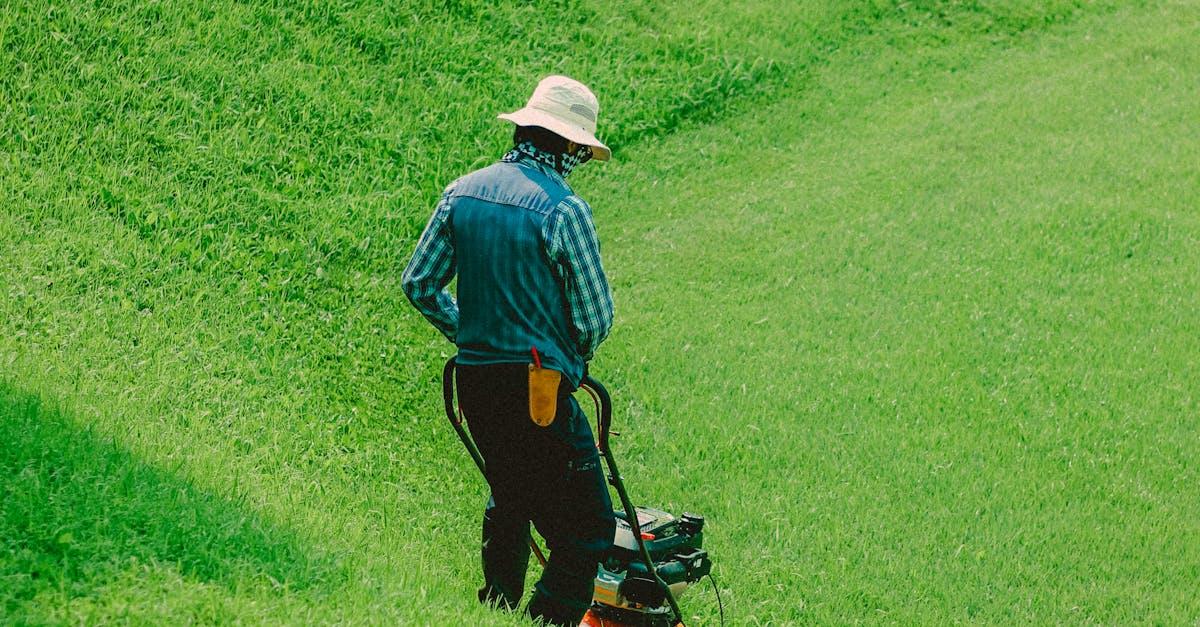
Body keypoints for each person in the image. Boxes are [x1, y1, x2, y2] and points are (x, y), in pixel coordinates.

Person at [402, 75, 616, 626]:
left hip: (473, 381)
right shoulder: (565, 211)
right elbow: (595, 318)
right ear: (569, 145)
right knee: (590, 526)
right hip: (539, 387)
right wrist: (569, 355)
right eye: (582, 153)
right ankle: (546, 619)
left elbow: (420, 283)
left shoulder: (462, 192)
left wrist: (470, 332)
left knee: (511, 491)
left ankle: (496, 606)